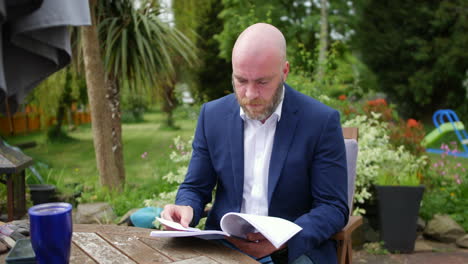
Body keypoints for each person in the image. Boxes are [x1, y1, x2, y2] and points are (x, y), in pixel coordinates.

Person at [161, 23, 348, 264]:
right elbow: (195, 187)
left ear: (284, 71)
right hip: (225, 246)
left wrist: (284, 240)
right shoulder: (212, 116)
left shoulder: (320, 122)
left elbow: (333, 207)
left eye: (262, 82)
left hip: (291, 251)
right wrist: (185, 207)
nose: (249, 94)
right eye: (241, 81)